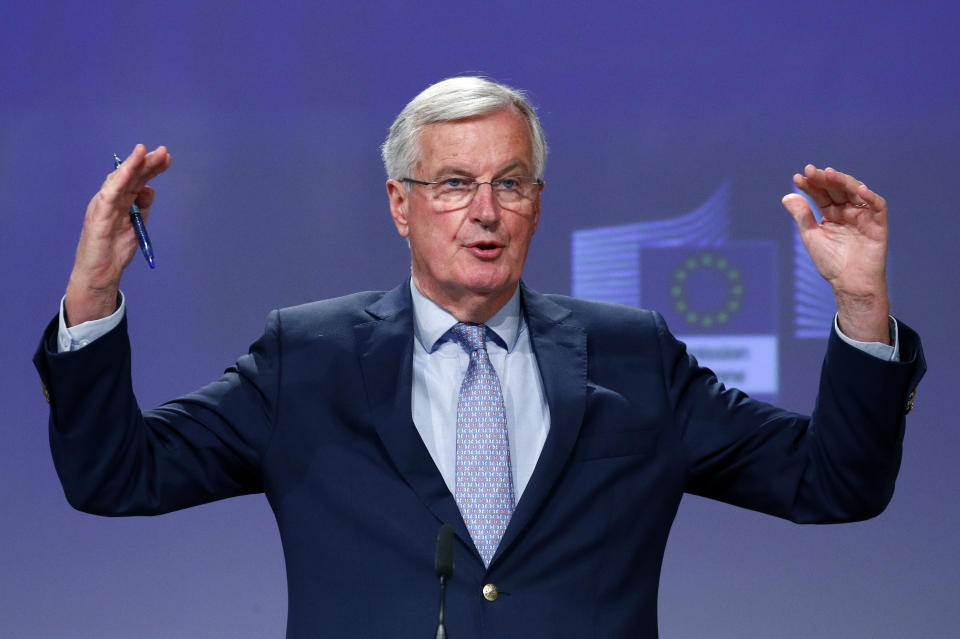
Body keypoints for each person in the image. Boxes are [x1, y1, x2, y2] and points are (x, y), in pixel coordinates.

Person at [34, 77, 925, 638]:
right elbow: (116, 476)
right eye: (454, 183)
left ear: (538, 203)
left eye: (510, 183)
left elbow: (833, 484)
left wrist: (857, 303)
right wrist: (92, 296)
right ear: (400, 203)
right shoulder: (305, 358)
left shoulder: (632, 355)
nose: (485, 211)